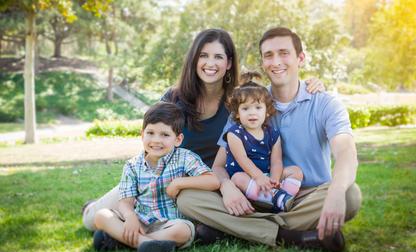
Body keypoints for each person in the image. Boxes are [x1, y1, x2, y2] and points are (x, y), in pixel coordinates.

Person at [81, 28, 324, 232]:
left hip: (209, 185)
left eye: (218, 57)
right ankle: (95, 208)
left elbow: (275, 92)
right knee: (92, 221)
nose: (210, 63)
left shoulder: (239, 101)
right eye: (203, 56)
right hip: (164, 180)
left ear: (229, 63)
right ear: (194, 60)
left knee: (183, 216)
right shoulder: (173, 98)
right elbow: (153, 147)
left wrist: (314, 83)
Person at [176, 27, 361, 252]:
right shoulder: (249, 102)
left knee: (350, 194)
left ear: (300, 58)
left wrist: (335, 191)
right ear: (263, 62)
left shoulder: (325, 103)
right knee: (187, 198)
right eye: (268, 56)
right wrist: (226, 187)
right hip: (252, 196)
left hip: (303, 197)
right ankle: (294, 236)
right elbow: (219, 166)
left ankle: (238, 228)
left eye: (284, 53)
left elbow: (346, 154)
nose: (276, 62)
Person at [93, 101, 220, 252]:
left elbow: (213, 181)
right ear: (142, 135)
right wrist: (130, 216)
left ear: (178, 139)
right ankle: (147, 244)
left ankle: (122, 242)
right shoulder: (132, 166)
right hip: (140, 220)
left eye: (165, 135)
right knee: (102, 216)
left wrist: (179, 183)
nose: (156, 140)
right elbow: (126, 202)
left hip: (169, 223)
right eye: (150, 133)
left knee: (185, 231)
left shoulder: (185, 157)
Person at [224, 70, 303, 214]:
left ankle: (281, 199)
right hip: (246, 178)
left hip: (266, 176)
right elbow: (241, 158)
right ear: (237, 113)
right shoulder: (234, 133)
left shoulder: (272, 134)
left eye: (258, 107)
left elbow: (276, 162)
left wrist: (273, 181)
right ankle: (275, 200)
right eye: (245, 108)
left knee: (296, 171)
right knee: (237, 178)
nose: (252, 113)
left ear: (267, 111)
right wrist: (258, 177)